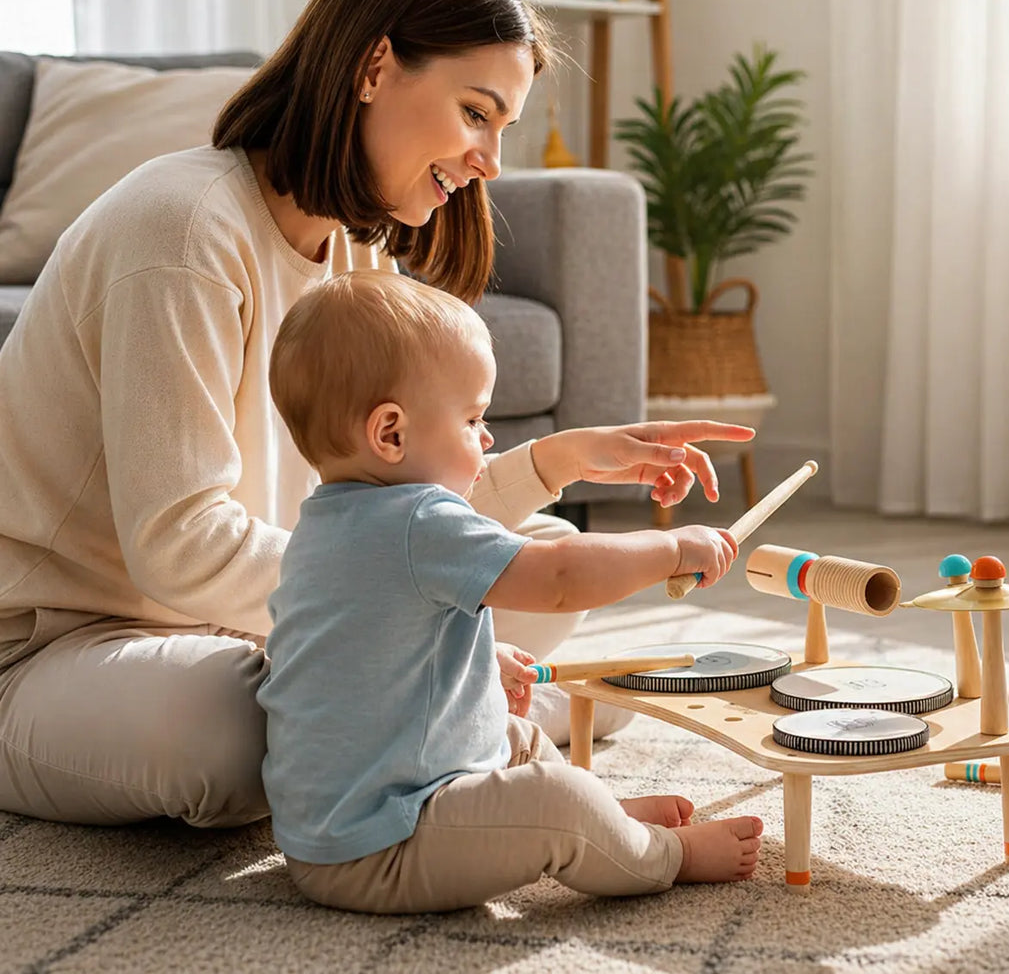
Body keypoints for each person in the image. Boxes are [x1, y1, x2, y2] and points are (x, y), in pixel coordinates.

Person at [0, 0, 753, 830]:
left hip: (245, 621)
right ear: (374, 67)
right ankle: (475, 720)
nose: (490, 162)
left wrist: (555, 462)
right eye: (476, 113)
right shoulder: (185, 230)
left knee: (540, 564)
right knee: (215, 735)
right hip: (59, 647)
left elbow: (392, 507)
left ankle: (462, 718)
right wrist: (405, 627)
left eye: (501, 127)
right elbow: (180, 545)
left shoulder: (357, 257)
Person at [260, 269, 763, 913]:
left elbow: (362, 657)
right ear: (391, 433)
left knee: (516, 738)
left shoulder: (322, 524)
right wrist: (670, 547)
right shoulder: (419, 518)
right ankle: (663, 854)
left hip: (331, 835)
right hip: (385, 846)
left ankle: (609, 820)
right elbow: (556, 577)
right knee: (557, 801)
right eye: (473, 419)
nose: (489, 438)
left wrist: (480, 662)